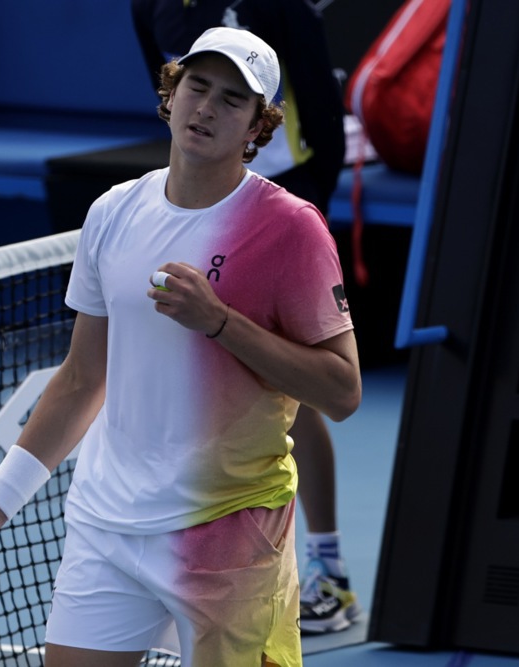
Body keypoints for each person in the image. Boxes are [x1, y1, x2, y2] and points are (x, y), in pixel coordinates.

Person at [0, 27, 361, 666]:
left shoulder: (290, 228)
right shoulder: (113, 212)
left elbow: (342, 393)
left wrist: (220, 323)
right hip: (106, 527)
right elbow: (79, 379)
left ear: (258, 128)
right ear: (171, 91)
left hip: (229, 530)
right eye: (197, 86)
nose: (207, 107)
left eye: (232, 100)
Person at [132, 0, 361, 634]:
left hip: (280, 198)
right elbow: (164, 79)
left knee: (297, 392)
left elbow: (319, 109)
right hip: (200, 193)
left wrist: (293, 223)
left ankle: (329, 573)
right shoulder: (148, 5)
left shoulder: (280, 9)